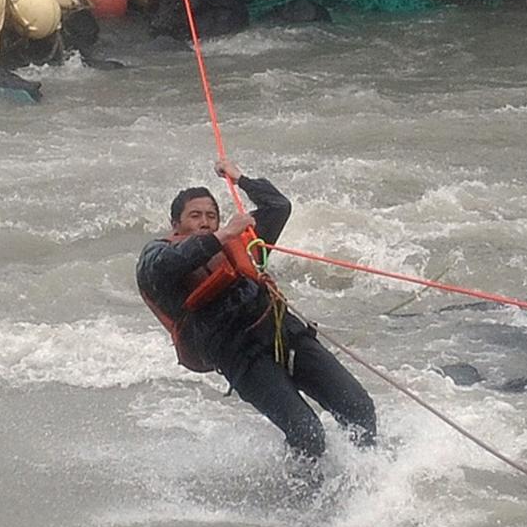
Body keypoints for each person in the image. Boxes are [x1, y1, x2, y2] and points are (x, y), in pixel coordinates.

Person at [136, 158, 376, 463]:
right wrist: (222, 235)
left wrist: (241, 179)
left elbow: (278, 207)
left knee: (359, 408)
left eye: (212, 216)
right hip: (240, 357)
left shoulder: (241, 242)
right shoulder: (157, 255)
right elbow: (168, 265)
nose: (205, 222)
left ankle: (370, 480)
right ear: (175, 224)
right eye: (195, 216)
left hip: (284, 334)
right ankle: (305, 498)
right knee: (308, 433)